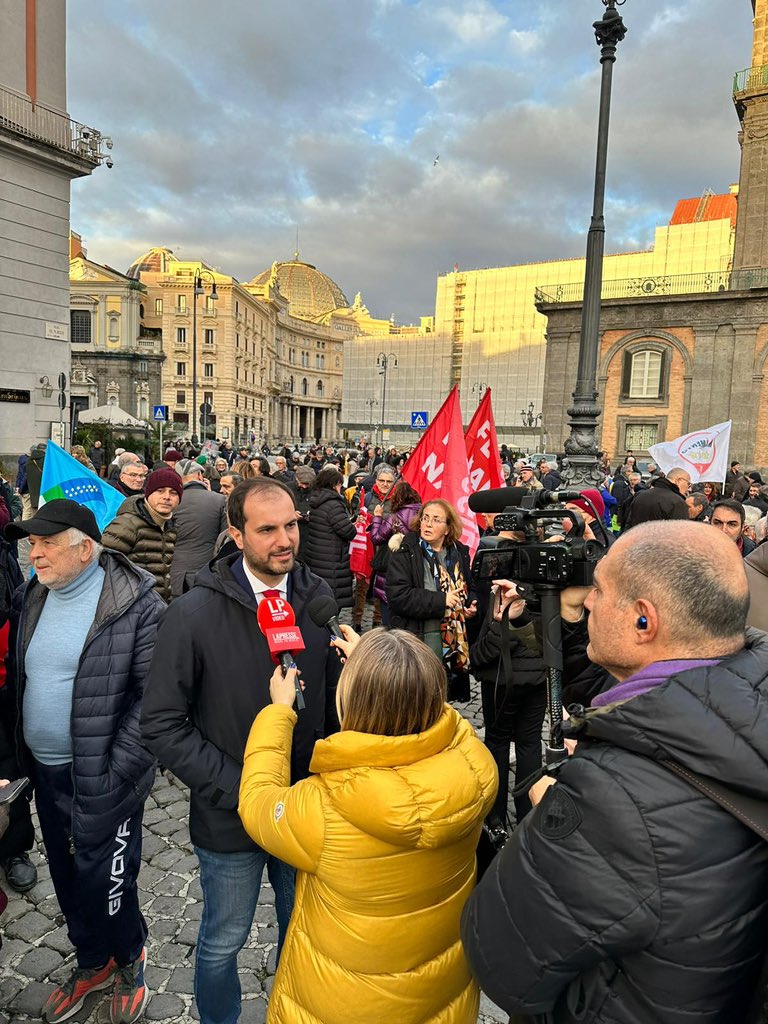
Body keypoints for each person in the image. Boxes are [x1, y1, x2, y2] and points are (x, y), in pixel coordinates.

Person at [461, 520, 768, 1024]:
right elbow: (594, 671)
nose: (588, 601)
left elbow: (496, 953)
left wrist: (552, 816)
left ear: (644, 622)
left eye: (600, 589)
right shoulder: (742, 680)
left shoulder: (613, 797)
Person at [140, 478, 342, 1024]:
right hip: (229, 816)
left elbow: (329, 712)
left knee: (301, 936)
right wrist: (241, 788)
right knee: (223, 941)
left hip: (303, 811)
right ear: (236, 534)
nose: (285, 540)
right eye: (268, 529)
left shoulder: (317, 599)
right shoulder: (192, 614)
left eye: (292, 525)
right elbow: (161, 724)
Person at [238, 626, 497, 1024]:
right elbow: (424, 709)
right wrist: (388, 668)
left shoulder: (327, 808)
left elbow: (257, 802)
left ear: (352, 703)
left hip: (346, 1005)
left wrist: (279, 711)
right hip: (439, 994)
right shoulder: (475, 767)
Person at [5, 500, 162, 1024]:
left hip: (105, 777)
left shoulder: (136, 603)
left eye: (48, 542)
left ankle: (131, 956)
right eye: (32, 542)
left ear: (86, 549)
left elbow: (153, 701)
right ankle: (92, 961)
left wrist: (116, 770)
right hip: (46, 773)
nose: (36, 552)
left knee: (107, 881)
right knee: (68, 877)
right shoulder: (33, 594)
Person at [387, 500, 477, 701]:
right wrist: (442, 599)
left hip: (454, 637)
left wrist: (470, 602)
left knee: (443, 697)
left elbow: (469, 586)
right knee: (420, 696)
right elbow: (398, 596)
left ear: (448, 528)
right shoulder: (406, 552)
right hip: (420, 636)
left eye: (436, 520)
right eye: (425, 518)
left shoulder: (458, 553)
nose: (427, 524)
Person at [101, 468, 183, 603]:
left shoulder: (169, 526)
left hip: (157, 606)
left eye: (173, 493)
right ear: (148, 493)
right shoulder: (127, 524)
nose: (167, 497)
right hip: (130, 607)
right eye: (160, 491)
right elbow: (102, 565)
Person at [169, 459, 227, 598]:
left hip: (172, 574)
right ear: (200, 476)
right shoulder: (219, 500)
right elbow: (224, 539)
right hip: (206, 573)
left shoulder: (168, 501)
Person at [303, 466, 357, 609]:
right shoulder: (333, 504)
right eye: (340, 484)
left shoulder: (317, 501)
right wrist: (353, 526)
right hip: (331, 560)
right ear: (334, 485)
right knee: (331, 601)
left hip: (317, 557)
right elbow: (348, 532)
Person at [369, 480, 421, 627]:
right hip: (415, 568)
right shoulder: (423, 516)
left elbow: (377, 538)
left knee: (389, 613)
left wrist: (377, 517)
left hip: (392, 569)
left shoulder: (395, 518)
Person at [621, 466, 690, 530]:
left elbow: (629, 524)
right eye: (688, 483)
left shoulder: (641, 496)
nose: (688, 488)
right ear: (679, 480)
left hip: (638, 541)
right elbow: (681, 532)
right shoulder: (677, 501)